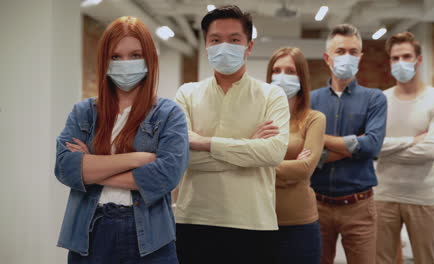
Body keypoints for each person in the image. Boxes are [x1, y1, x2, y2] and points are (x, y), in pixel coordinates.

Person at [54, 16, 189, 264]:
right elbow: (65, 168)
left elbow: (166, 176)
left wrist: (92, 169)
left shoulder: (169, 114)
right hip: (91, 231)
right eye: (116, 56)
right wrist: (137, 159)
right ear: (104, 61)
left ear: (149, 59)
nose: (125, 63)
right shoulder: (83, 112)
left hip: (151, 235)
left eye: (135, 55)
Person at [174, 5, 290, 264]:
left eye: (234, 39)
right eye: (215, 40)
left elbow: (273, 153)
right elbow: (181, 156)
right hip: (194, 219)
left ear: (249, 46)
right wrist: (250, 148)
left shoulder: (272, 95)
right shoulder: (187, 94)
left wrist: (204, 142)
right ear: (206, 45)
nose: (224, 46)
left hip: (254, 221)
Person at [310, 24, 387, 264]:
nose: (347, 57)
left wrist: (320, 138)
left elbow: (372, 146)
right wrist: (354, 145)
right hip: (317, 204)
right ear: (327, 57)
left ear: (361, 57)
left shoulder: (375, 98)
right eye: (340, 51)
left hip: (359, 207)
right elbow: (305, 150)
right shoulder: (311, 100)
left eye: (353, 52)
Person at [375, 32, 434, 264]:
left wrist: (387, 149)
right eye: (395, 58)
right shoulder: (380, 100)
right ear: (389, 61)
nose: (401, 63)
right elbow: (371, 148)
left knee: (425, 260)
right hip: (383, 195)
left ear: (418, 60)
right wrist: (412, 141)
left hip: (423, 198)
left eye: (406, 56)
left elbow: (432, 151)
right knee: (382, 261)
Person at [266, 47, 325, 263]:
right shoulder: (259, 117)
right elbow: (241, 160)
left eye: (290, 71)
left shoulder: (314, 118)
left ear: (302, 77)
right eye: (277, 70)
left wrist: (261, 165)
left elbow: (305, 169)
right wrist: (288, 167)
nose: (282, 76)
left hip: (301, 224)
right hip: (261, 221)